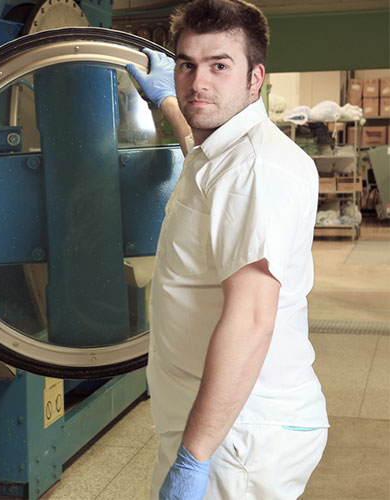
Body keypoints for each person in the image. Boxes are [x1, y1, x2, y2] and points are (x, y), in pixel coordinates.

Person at [126, 1, 329, 498]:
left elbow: (252, 320)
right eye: (186, 65)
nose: (198, 82)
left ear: (255, 78)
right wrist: (167, 105)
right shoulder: (226, 150)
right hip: (223, 419)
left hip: (236, 435)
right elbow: (201, 159)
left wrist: (194, 460)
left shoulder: (256, 171)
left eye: (220, 65)